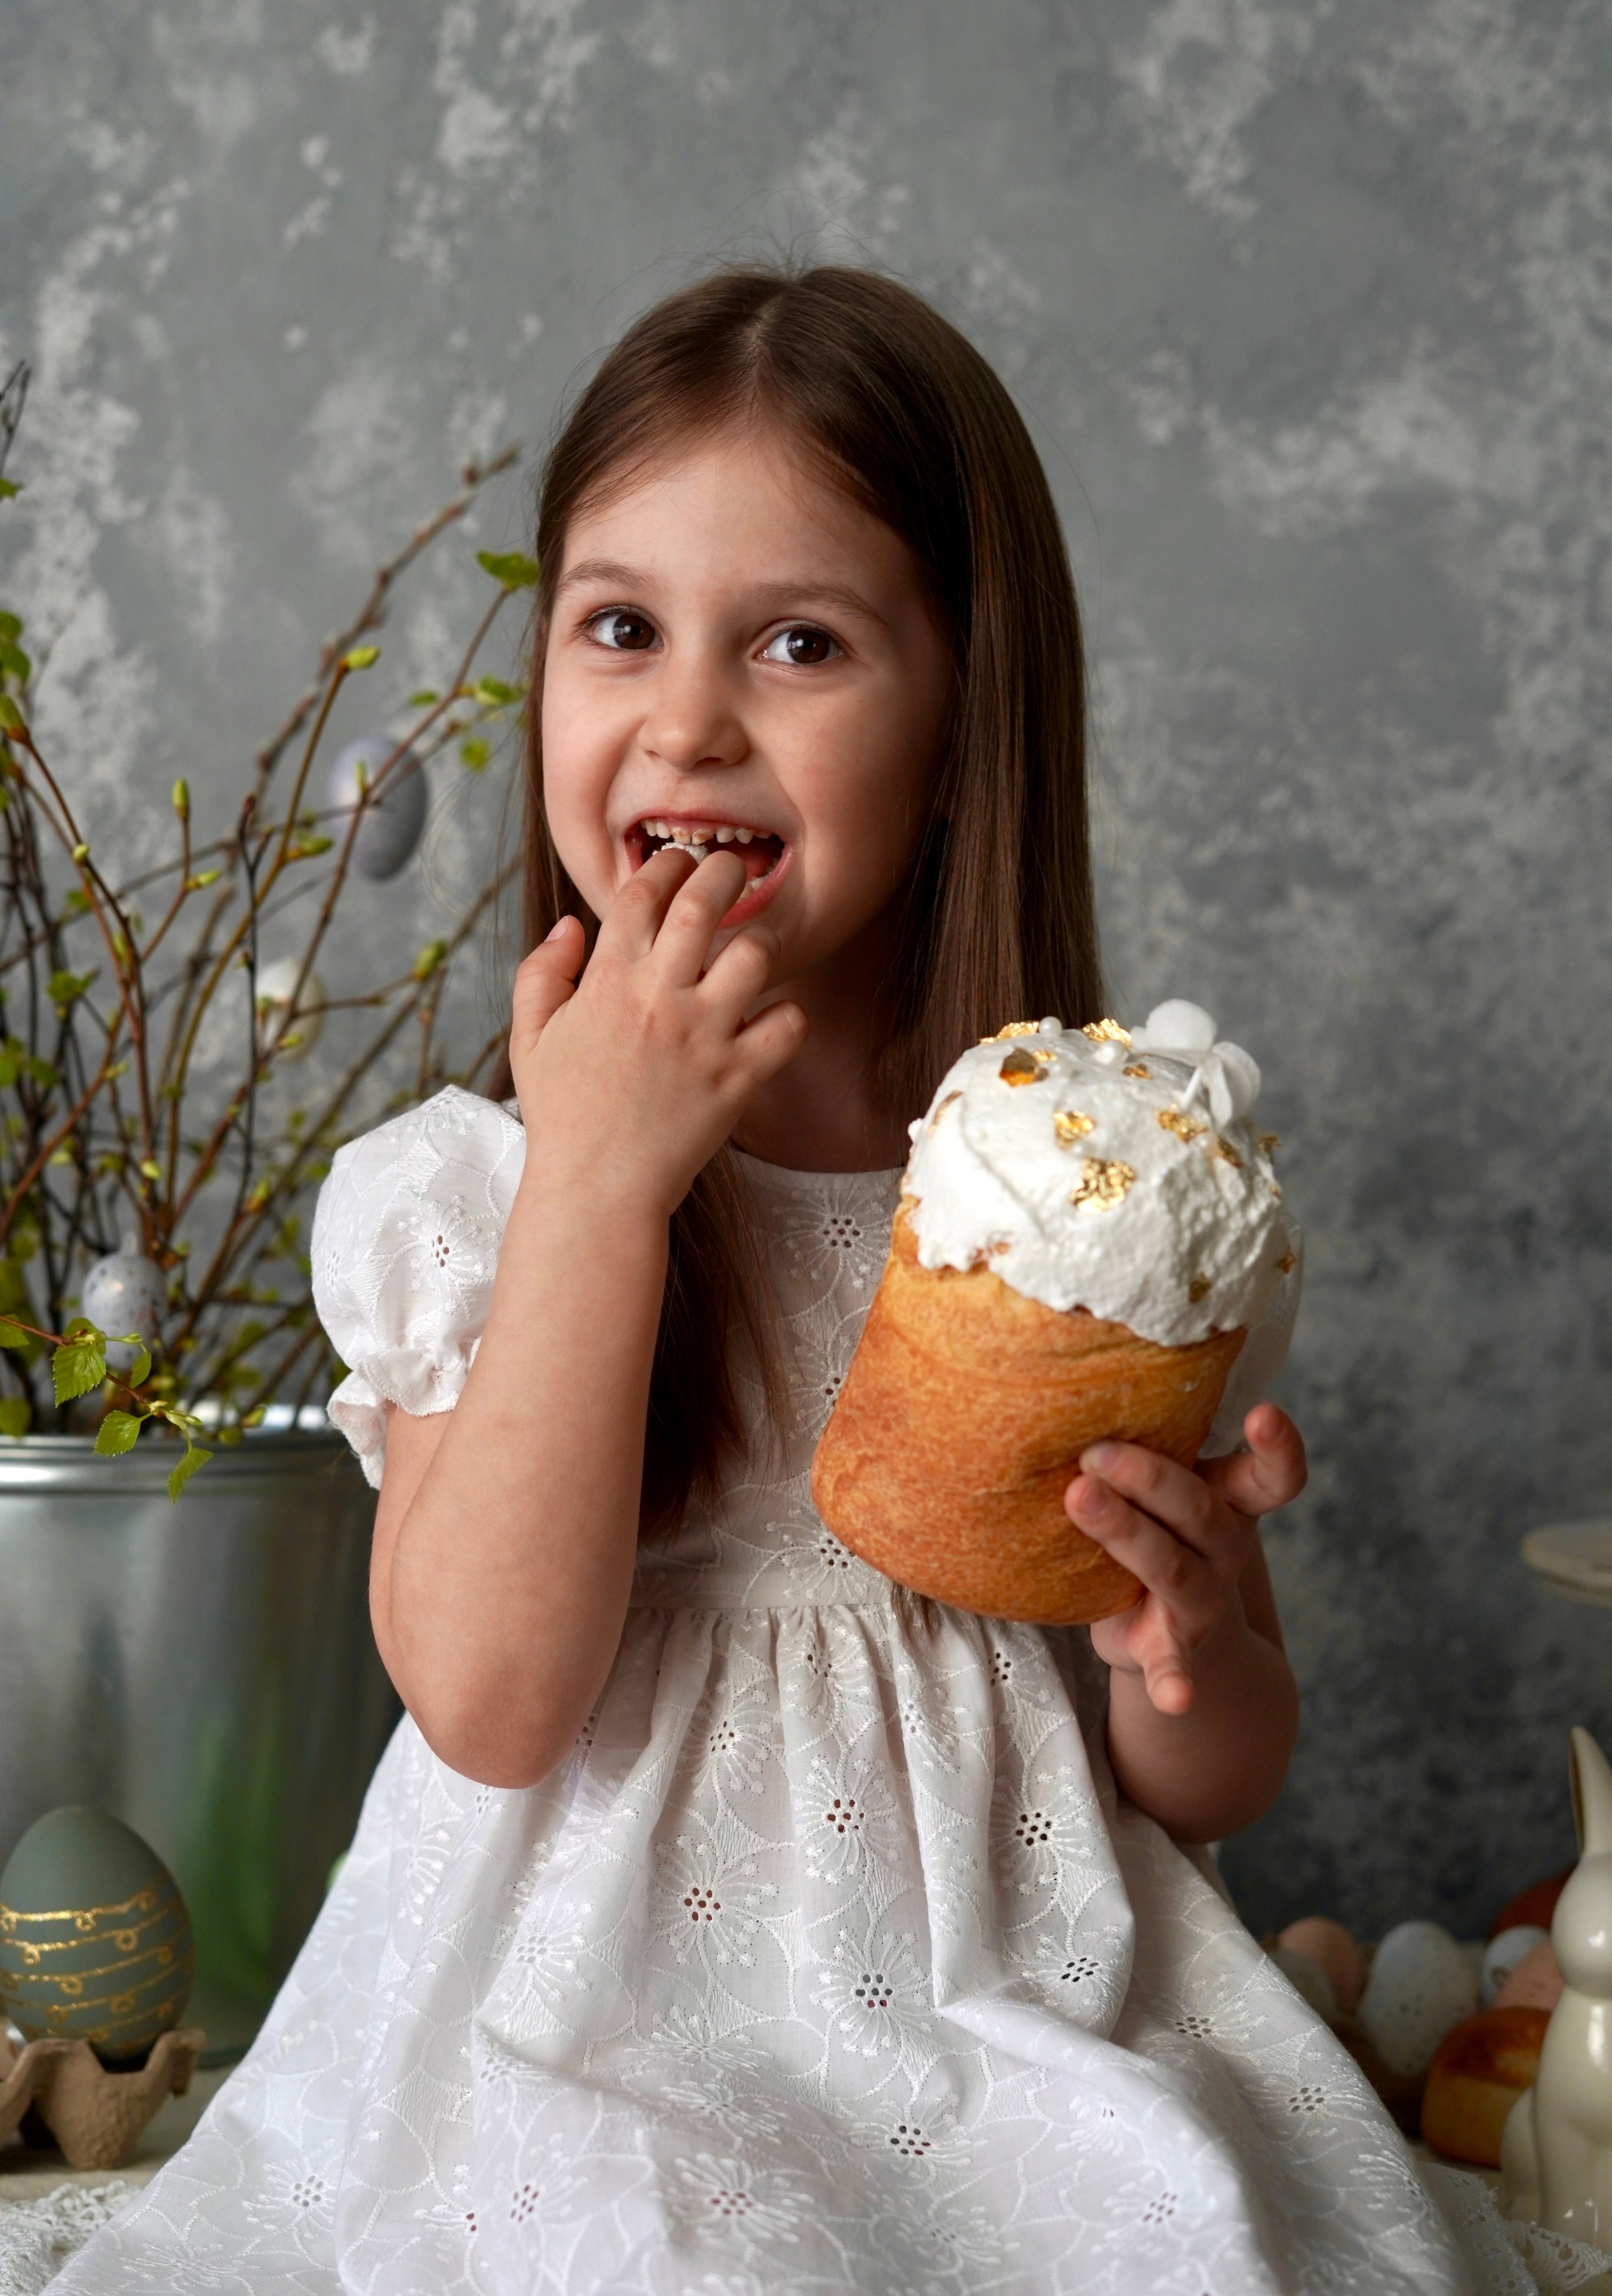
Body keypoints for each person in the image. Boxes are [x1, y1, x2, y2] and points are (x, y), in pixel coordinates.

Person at [46, 267, 1492, 2293]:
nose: (688, 720)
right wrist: (601, 1186)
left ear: (965, 723)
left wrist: (1185, 1653)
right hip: (587, 2037)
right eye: (619, 627)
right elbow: (489, 1702)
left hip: (1005, 2008)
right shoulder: (476, 1193)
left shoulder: (1087, 1220)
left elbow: (1206, 1777)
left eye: (800, 642)